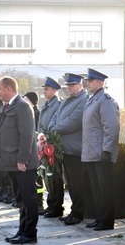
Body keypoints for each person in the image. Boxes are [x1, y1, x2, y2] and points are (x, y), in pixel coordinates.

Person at [0, 76, 39, 244]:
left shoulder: (23, 106)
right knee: (20, 199)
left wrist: (22, 160)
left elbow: (26, 136)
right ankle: (23, 230)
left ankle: (30, 233)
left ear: (9, 89)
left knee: (29, 198)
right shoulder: (7, 107)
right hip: (12, 162)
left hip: (22, 163)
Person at [82, 68, 119, 231]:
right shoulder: (92, 100)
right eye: (87, 81)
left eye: (90, 81)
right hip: (92, 151)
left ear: (100, 83)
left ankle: (107, 221)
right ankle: (100, 217)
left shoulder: (105, 100)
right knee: (96, 189)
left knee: (105, 189)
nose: (87, 83)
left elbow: (111, 127)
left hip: (101, 152)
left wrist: (107, 149)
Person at [49, 73, 87, 225]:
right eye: (68, 85)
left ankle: (79, 212)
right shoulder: (68, 100)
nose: (69, 88)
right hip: (65, 148)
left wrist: (54, 130)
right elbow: (55, 116)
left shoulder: (83, 100)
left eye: (72, 85)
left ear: (80, 85)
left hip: (75, 149)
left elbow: (73, 122)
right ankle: (74, 210)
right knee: (70, 183)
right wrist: (52, 127)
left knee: (77, 183)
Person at [37, 77, 63, 218]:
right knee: (47, 177)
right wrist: (40, 138)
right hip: (44, 144)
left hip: (53, 146)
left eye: (47, 89)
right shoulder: (46, 105)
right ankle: (51, 203)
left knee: (55, 177)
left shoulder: (58, 105)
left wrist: (48, 139)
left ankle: (57, 206)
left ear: (54, 90)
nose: (44, 91)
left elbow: (56, 125)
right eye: (44, 88)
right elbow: (40, 125)